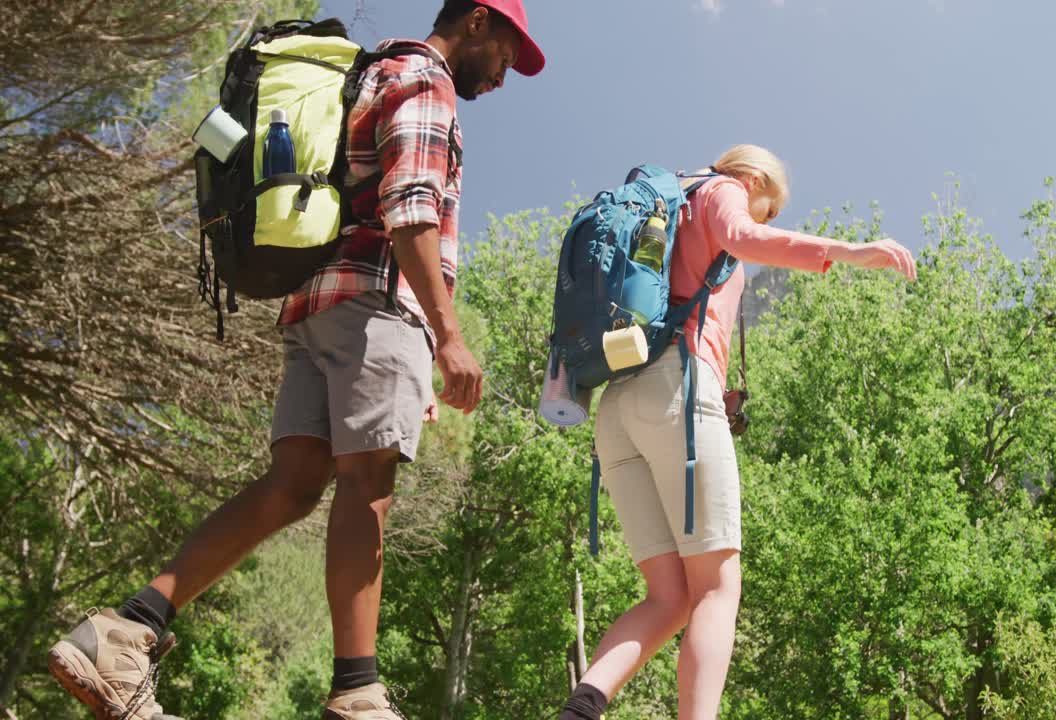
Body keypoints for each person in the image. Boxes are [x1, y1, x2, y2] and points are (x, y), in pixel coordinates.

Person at [46, 2, 544, 718]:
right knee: (367, 480)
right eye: (505, 51)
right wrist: (447, 333)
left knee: (294, 484)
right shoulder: (423, 78)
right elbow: (410, 210)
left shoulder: (370, 73)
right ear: (475, 23)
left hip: (313, 303)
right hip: (375, 300)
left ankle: (126, 629)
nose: (503, 73)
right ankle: (358, 692)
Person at [558, 145, 917, 720]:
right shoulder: (719, 190)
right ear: (752, 177)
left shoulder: (668, 210)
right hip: (675, 392)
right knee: (717, 589)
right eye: (767, 208)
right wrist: (849, 251)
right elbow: (742, 237)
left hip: (619, 408)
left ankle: (581, 711)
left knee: (668, 598)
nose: (761, 221)